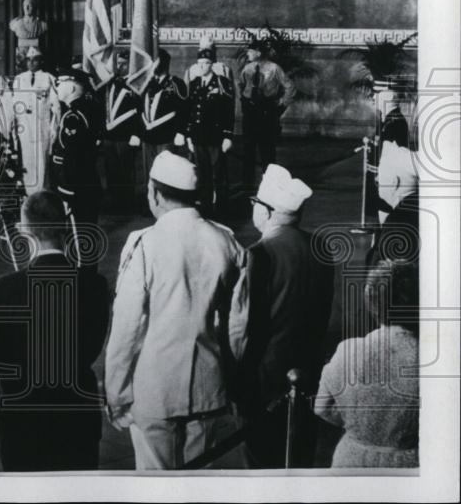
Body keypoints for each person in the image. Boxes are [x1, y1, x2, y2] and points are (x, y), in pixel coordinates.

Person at [104, 151, 249, 470]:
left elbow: (127, 329)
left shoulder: (144, 244)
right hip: (208, 386)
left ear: (154, 193)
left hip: (155, 387)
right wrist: (229, 379)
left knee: (156, 486)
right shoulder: (227, 242)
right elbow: (238, 328)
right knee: (199, 482)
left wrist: (116, 391)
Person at [0, 191, 109, 471]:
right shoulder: (94, 286)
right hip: (78, 414)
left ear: (25, 230)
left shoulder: (5, 289)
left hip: (21, 417)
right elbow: (92, 345)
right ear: (65, 228)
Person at [239, 164, 333, 468]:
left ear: (266, 211)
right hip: (308, 373)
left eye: (255, 204)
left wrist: (238, 382)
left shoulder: (260, 253)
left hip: (266, 382)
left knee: (263, 461)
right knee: (300, 457)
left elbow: (247, 327)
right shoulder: (320, 248)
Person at [314, 260, 419, 468]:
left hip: (351, 460)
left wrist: (359, 426)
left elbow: (321, 408)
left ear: (371, 304)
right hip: (408, 467)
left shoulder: (348, 351)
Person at [50, 67, 102, 263]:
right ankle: (87, 282)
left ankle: (84, 286)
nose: (57, 87)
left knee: (79, 242)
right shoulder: (84, 109)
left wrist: (66, 193)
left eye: (60, 83)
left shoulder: (74, 117)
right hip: (84, 186)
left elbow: (75, 159)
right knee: (84, 239)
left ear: (71, 88)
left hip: (76, 189)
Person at [186, 41, 235, 218]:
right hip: (199, 137)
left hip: (215, 137)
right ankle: (205, 207)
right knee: (203, 174)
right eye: (199, 64)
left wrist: (228, 136)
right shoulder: (194, 84)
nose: (202, 67)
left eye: (206, 64)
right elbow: (190, 111)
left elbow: (229, 111)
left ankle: (222, 208)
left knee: (218, 174)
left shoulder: (222, 83)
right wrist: (189, 136)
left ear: (212, 64)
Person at [238, 36, 295, 188]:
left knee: (267, 150)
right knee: (248, 148)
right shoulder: (248, 69)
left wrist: (281, 106)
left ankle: (269, 184)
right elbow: (241, 85)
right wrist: (245, 101)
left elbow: (289, 87)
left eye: (250, 51)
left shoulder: (274, 68)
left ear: (258, 52)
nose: (247, 54)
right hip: (250, 112)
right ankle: (247, 184)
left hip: (266, 112)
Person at [10, 47, 59, 195]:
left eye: (35, 59)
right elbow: (14, 104)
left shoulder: (48, 78)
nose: (31, 63)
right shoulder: (19, 79)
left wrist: (54, 129)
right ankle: (29, 194)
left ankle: (42, 193)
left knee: (42, 161)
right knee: (27, 160)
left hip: (41, 127)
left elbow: (56, 107)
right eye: (29, 60)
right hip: (24, 127)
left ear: (41, 61)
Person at [100, 49, 142, 209]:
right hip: (109, 135)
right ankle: (114, 202)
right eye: (118, 63)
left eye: (123, 64)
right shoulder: (110, 83)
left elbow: (141, 110)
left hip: (126, 135)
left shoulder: (135, 84)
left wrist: (136, 133)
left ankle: (127, 203)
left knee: (126, 170)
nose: (120, 66)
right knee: (111, 170)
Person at [368, 140, 420, 266]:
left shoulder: (397, 224)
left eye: (379, 181)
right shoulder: (418, 208)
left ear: (393, 182)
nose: (378, 184)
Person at [140, 48, 189, 182]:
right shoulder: (147, 83)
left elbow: (184, 110)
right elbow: (140, 108)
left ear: (165, 64)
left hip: (166, 137)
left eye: (156, 62)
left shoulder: (176, 84)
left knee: (165, 176)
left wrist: (181, 132)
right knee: (148, 175)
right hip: (147, 137)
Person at [8, 0, 48, 67]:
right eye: (25, 6)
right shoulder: (16, 23)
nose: (26, 8)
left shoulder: (42, 25)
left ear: (35, 7)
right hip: (21, 52)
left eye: (29, 5)